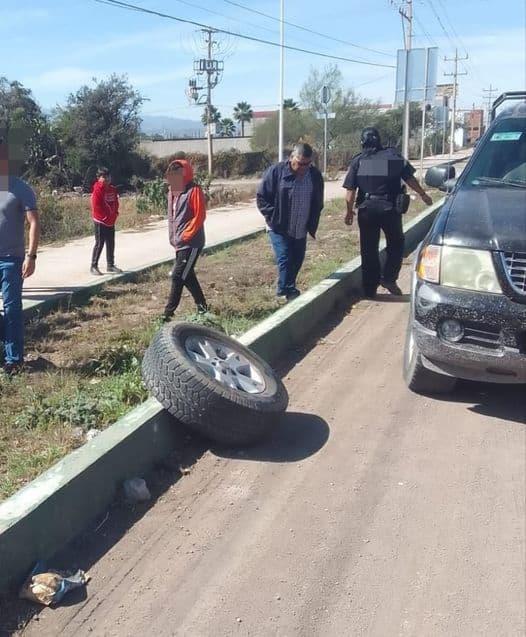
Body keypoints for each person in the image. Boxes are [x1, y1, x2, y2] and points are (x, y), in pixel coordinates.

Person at [343, 127, 433, 299]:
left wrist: (348, 212)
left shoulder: (358, 161)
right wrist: (423, 194)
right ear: (379, 140)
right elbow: (410, 179)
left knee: (368, 249)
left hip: (366, 210)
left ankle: (370, 289)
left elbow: (350, 192)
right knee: (396, 243)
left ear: (362, 142)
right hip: (389, 209)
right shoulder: (393, 157)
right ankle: (389, 278)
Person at [257, 143, 324, 302]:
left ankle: (288, 287)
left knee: (297, 260)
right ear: (292, 157)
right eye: (300, 163)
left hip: (300, 226)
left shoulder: (314, 175)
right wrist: (273, 217)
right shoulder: (276, 172)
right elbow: (262, 197)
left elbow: (318, 201)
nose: (303, 167)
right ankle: (286, 291)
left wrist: (313, 219)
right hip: (279, 227)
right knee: (285, 257)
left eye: (307, 164)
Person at [0, 131, 40, 374]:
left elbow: (33, 222)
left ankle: (14, 360)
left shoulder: (20, 188)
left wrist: (31, 255)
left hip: (11, 260)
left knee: (12, 309)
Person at [163, 159, 207, 320]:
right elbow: (172, 217)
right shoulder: (172, 192)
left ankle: (167, 313)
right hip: (179, 243)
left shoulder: (194, 190)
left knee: (177, 276)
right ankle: (203, 308)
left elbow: (199, 215)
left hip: (192, 242)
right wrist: (173, 238)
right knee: (187, 276)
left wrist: (186, 235)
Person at [90, 167, 121, 275]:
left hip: (111, 221)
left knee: (111, 243)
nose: (106, 178)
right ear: (98, 178)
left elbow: (116, 203)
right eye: (103, 176)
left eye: (108, 176)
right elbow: (96, 206)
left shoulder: (112, 189)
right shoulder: (97, 190)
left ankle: (110, 265)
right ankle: (94, 266)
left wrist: (115, 214)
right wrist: (104, 217)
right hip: (100, 221)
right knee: (100, 243)